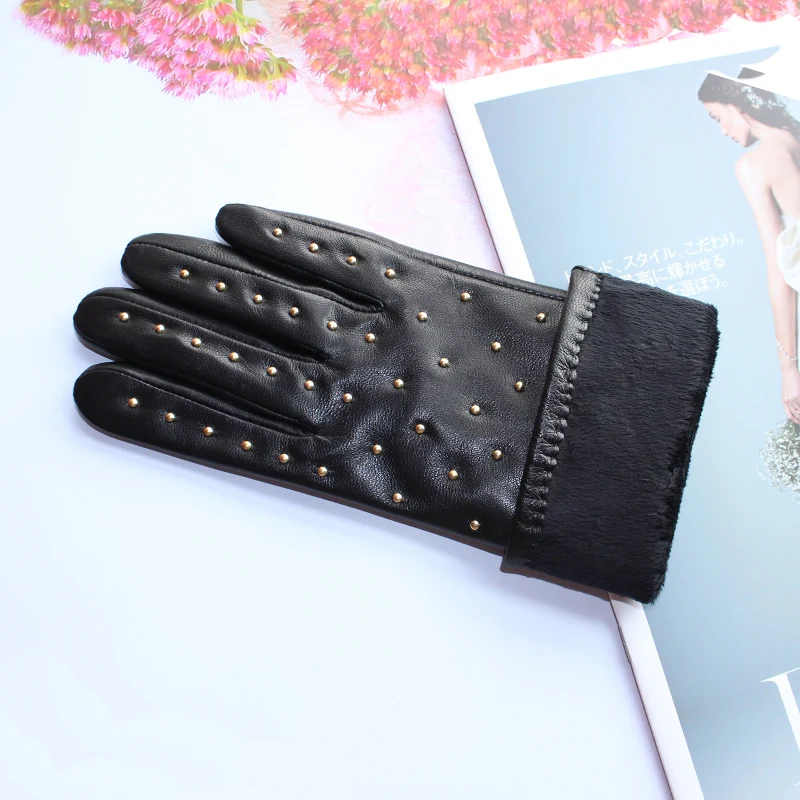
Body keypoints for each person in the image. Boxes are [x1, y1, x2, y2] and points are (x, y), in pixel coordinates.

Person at [699, 69, 800, 426]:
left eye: (717, 117)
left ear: (736, 104)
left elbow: (780, 273)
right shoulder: (795, 137)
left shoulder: (754, 165)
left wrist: (788, 369)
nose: (722, 130)